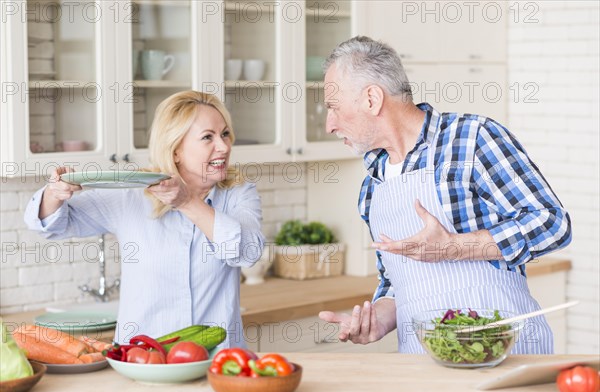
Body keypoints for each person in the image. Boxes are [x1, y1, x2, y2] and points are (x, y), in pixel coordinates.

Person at [318, 36, 572, 354]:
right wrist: (378, 320)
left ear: (371, 99)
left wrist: (455, 247)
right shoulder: (373, 184)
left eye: (333, 108)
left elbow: (553, 224)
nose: (329, 124)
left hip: (505, 356)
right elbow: (397, 282)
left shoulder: (471, 139)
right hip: (424, 364)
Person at [24, 90, 265, 347]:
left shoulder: (238, 193)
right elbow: (50, 224)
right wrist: (54, 193)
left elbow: (248, 251)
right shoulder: (133, 195)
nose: (224, 146)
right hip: (143, 359)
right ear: (175, 151)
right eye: (208, 137)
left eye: (225, 134)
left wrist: (187, 202)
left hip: (218, 363)